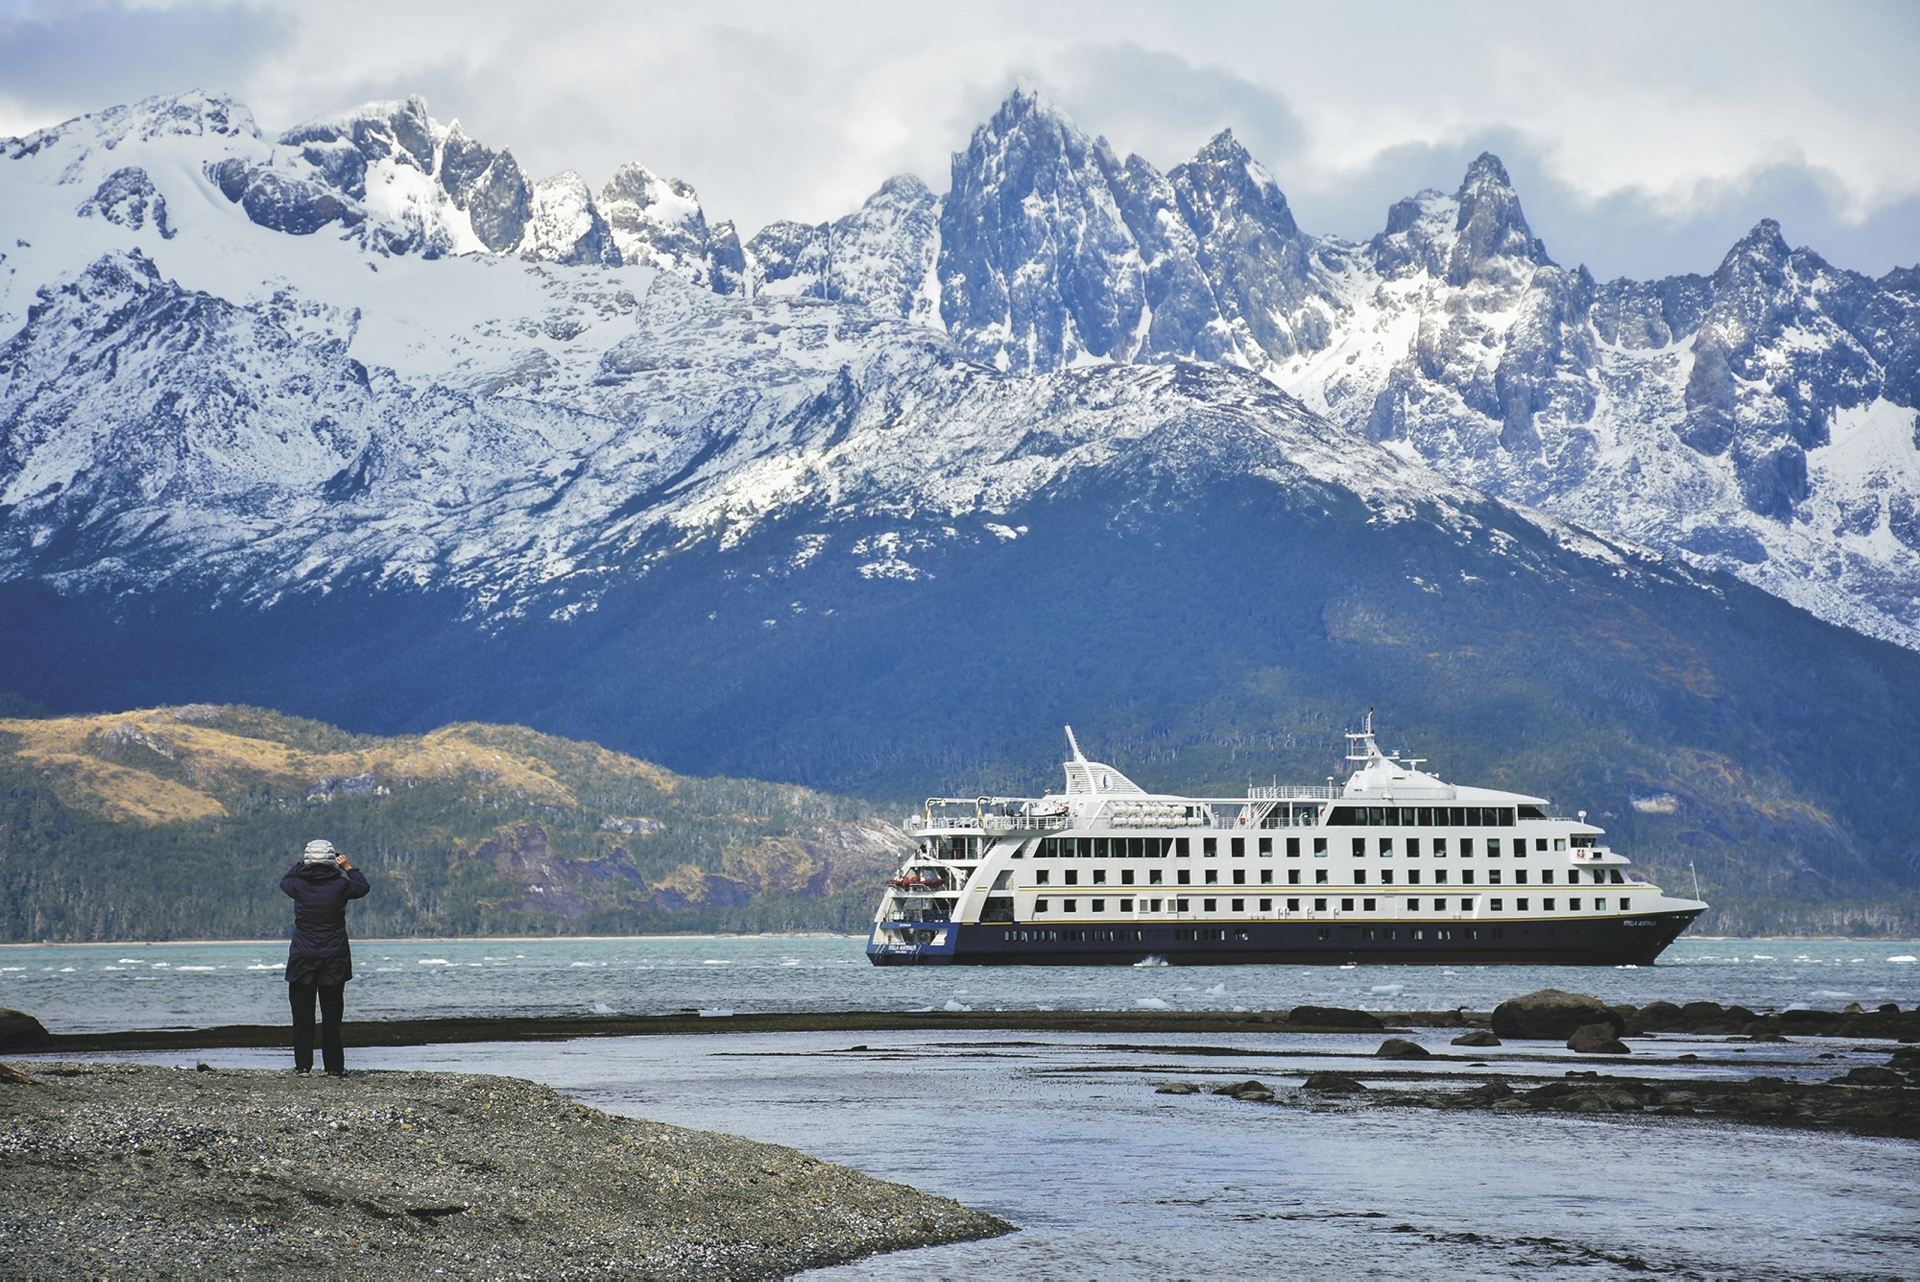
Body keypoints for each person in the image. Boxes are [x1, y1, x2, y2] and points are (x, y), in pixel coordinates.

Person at [280, 839, 371, 1076]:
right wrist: (349, 868)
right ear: (333, 859)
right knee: (332, 1017)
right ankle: (334, 1068)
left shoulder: (297, 885)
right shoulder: (341, 885)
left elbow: (285, 881)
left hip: (302, 957)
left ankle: (302, 1066)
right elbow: (362, 887)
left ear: (308, 859)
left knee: (302, 1017)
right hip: (334, 957)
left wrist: (300, 865)